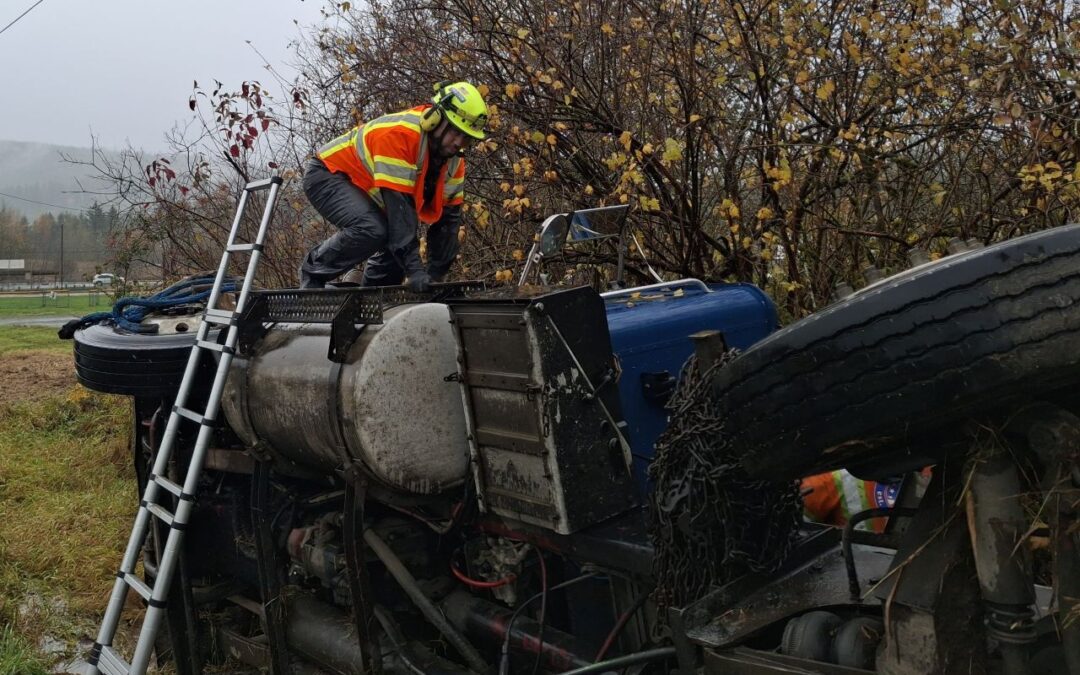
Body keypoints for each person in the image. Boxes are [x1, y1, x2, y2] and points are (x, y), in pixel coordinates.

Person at [299, 81, 489, 290]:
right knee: (375, 229)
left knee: (395, 244)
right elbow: (401, 212)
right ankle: (313, 273)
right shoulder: (401, 136)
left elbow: (448, 222)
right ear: (435, 119)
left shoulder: (453, 160)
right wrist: (415, 271)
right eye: (455, 132)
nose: (458, 143)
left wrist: (435, 277)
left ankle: (373, 299)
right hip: (328, 173)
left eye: (466, 139)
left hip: (368, 189)